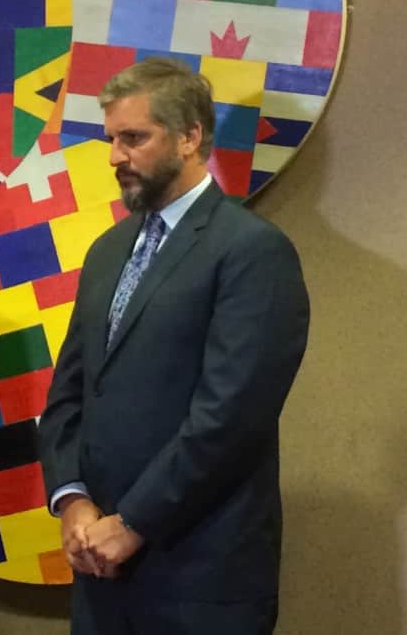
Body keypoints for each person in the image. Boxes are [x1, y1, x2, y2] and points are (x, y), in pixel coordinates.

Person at [39, 58, 310, 635]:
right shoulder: (107, 250)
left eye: (134, 138)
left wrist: (132, 522)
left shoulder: (252, 251)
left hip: (200, 579)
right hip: (101, 575)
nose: (115, 156)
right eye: (111, 139)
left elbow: (230, 418)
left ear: (189, 137)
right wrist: (72, 500)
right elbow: (70, 393)